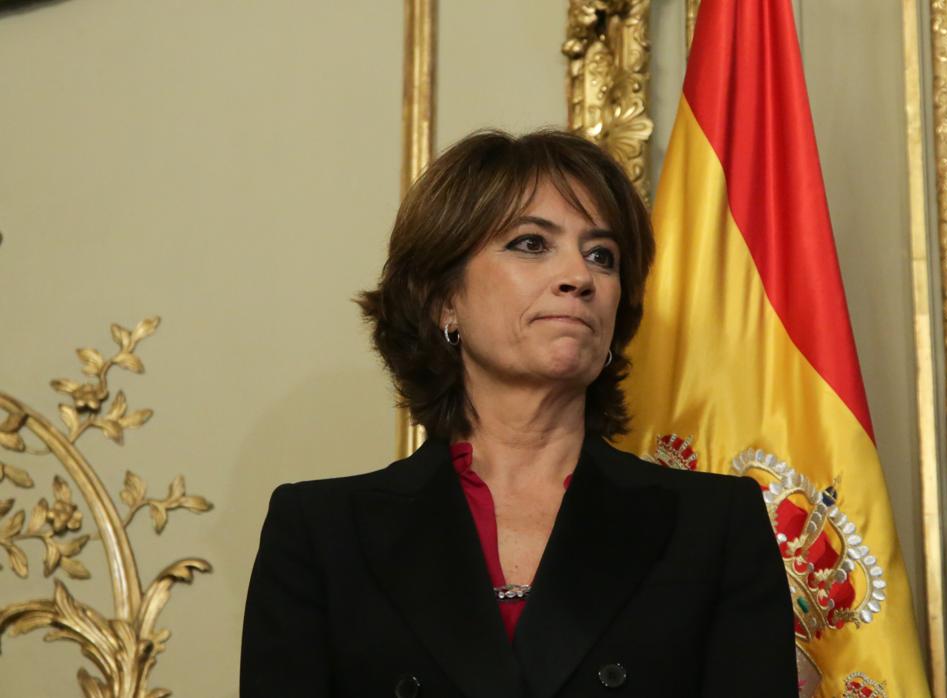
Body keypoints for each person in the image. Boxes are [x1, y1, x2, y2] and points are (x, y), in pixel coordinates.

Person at [239, 130, 797, 697]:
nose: (579, 278)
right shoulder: (319, 532)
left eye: (602, 256)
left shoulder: (715, 526)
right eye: (531, 244)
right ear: (443, 301)